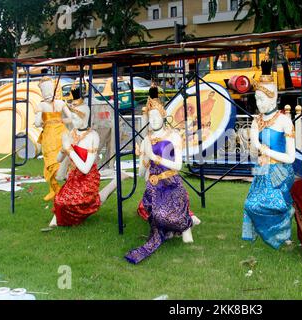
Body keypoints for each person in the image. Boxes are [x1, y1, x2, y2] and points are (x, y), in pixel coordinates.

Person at [125, 85, 197, 264]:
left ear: (163, 116)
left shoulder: (173, 136)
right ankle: (172, 229)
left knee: (163, 215)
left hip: (171, 183)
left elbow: (178, 165)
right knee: (156, 215)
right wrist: (141, 159)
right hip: (153, 187)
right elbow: (142, 171)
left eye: (156, 116)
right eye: (150, 117)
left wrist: (154, 157)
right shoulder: (146, 140)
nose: (154, 120)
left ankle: (185, 225)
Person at [46, 88, 128, 229]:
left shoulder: (93, 136)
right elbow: (59, 160)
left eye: (77, 118)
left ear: (85, 117)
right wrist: (63, 148)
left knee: (90, 203)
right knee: (60, 201)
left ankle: (116, 181)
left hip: (88, 177)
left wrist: (70, 149)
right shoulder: (71, 133)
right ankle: (58, 219)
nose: (73, 121)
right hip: (73, 178)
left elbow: (85, 169)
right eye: (72, 117)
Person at [242, 59, 296, 249]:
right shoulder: (257, 120)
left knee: (278, 205)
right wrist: (258, 147)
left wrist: (268, 151)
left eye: (262, 99)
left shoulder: (284, 121)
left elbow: (291, 157)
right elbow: (255, 144)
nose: (259, 104)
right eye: (256, 99)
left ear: (273, 98)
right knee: (251, 204)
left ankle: (283, 233)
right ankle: (265, 230)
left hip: (280, 170)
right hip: (262, 169)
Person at [34, 76, 72, 201]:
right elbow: (71, 118)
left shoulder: (42, 105)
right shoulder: (61, 103)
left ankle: (57, 189)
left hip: (50, 136)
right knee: (63, 160)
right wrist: (60, 120)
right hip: (62, 132)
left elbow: (38, 123)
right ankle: (59, 189)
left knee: (51, 162)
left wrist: (46, 120)